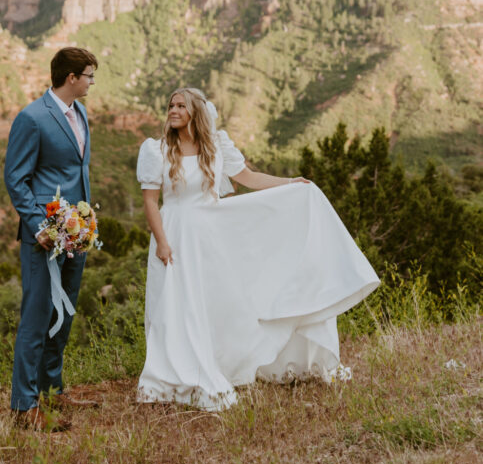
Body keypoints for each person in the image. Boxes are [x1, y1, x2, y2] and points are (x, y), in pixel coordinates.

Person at [136, 87, 379, 411]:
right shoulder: (157, 150)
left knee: (217, 303)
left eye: (181, 105)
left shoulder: (215, 146)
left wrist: (290, 183)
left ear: (195, 111)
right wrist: (163, 242)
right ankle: (175, 372)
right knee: (175, 304)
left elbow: (248, 177)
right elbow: (150, 203)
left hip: (211, 235)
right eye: (171, 104)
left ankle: (223, 361)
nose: (173, 109)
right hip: (175, 233)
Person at [4, 46, 99, 430]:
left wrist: (86, 218)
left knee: (65, 312)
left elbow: (78, 170)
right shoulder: (31, 118)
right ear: (71, 77)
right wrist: (37, 226)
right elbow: (16, 178)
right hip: (44, 233)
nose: (93, 82)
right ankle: (24, 406)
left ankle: (52, 389)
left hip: (77, 230)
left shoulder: (81, 113)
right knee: (37, 316)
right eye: (89, 75)